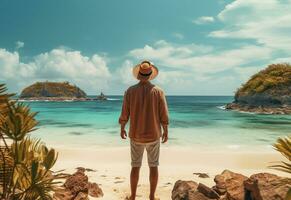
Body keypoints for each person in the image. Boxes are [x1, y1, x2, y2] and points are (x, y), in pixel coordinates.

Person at [119, 60, 169, 200]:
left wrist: (122, 126)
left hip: (136, 135)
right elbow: (163, 114)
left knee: (135, 166)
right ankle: (152, 196)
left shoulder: (130, 91)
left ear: (139, 75)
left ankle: (133, 196)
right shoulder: (158, 92)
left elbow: (125, 112)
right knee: (153, 166)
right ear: (151, 74)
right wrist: (165, 130)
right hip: (153, 135)